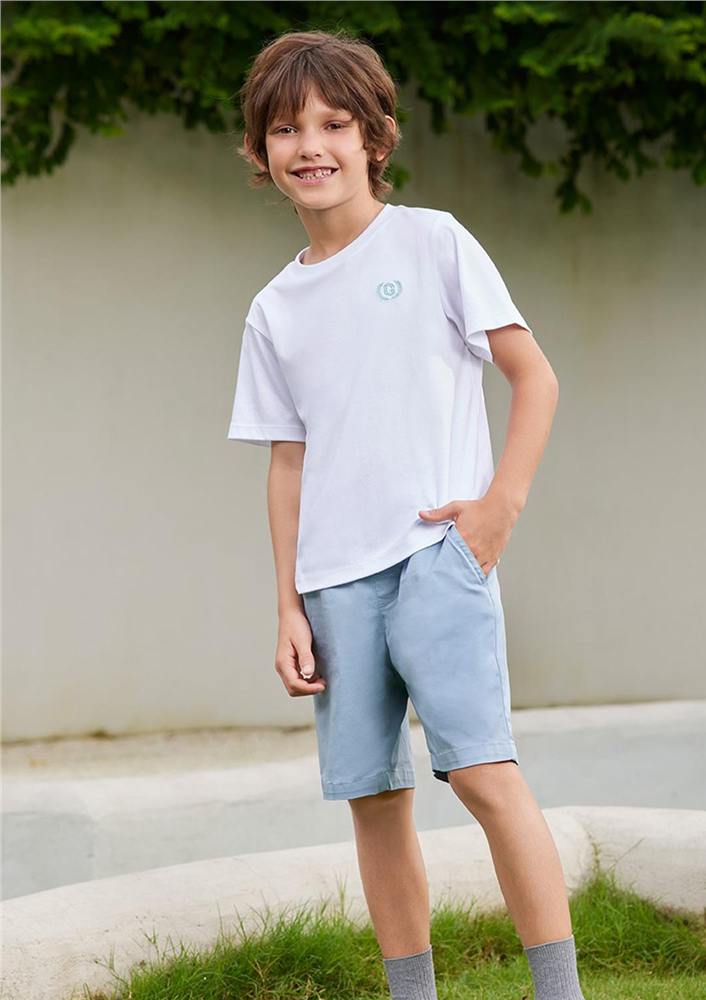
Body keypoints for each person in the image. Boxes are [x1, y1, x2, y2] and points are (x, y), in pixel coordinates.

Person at [227, 27, 585, 1000]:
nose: (310, 146)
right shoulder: (273, 309)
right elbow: (288, 463)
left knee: (483, 775)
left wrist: (498, 510)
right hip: (333, 585)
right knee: (374, 802)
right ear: (260, 150)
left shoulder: (433, 242)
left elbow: (534, 377)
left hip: (438, 556)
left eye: (332, 124)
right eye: (286, 129)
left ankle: (559, 993)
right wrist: (287, 604)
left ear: (372, 136)